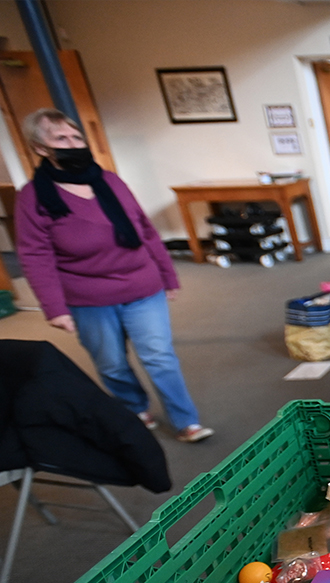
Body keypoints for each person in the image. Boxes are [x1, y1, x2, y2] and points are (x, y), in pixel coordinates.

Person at [15, 108, 213, 442]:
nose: (73, 143)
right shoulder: (33, 197)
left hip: (141, 285)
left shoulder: (109, 181)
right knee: (112, 364)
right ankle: (135, 408)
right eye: (61, 138)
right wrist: (55, 307)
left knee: (160, 357)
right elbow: (35, 255)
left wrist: (168, 276)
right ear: (40, 148)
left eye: (76, 137)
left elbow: (146, 230)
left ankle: (186, 422)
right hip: (88, 297)